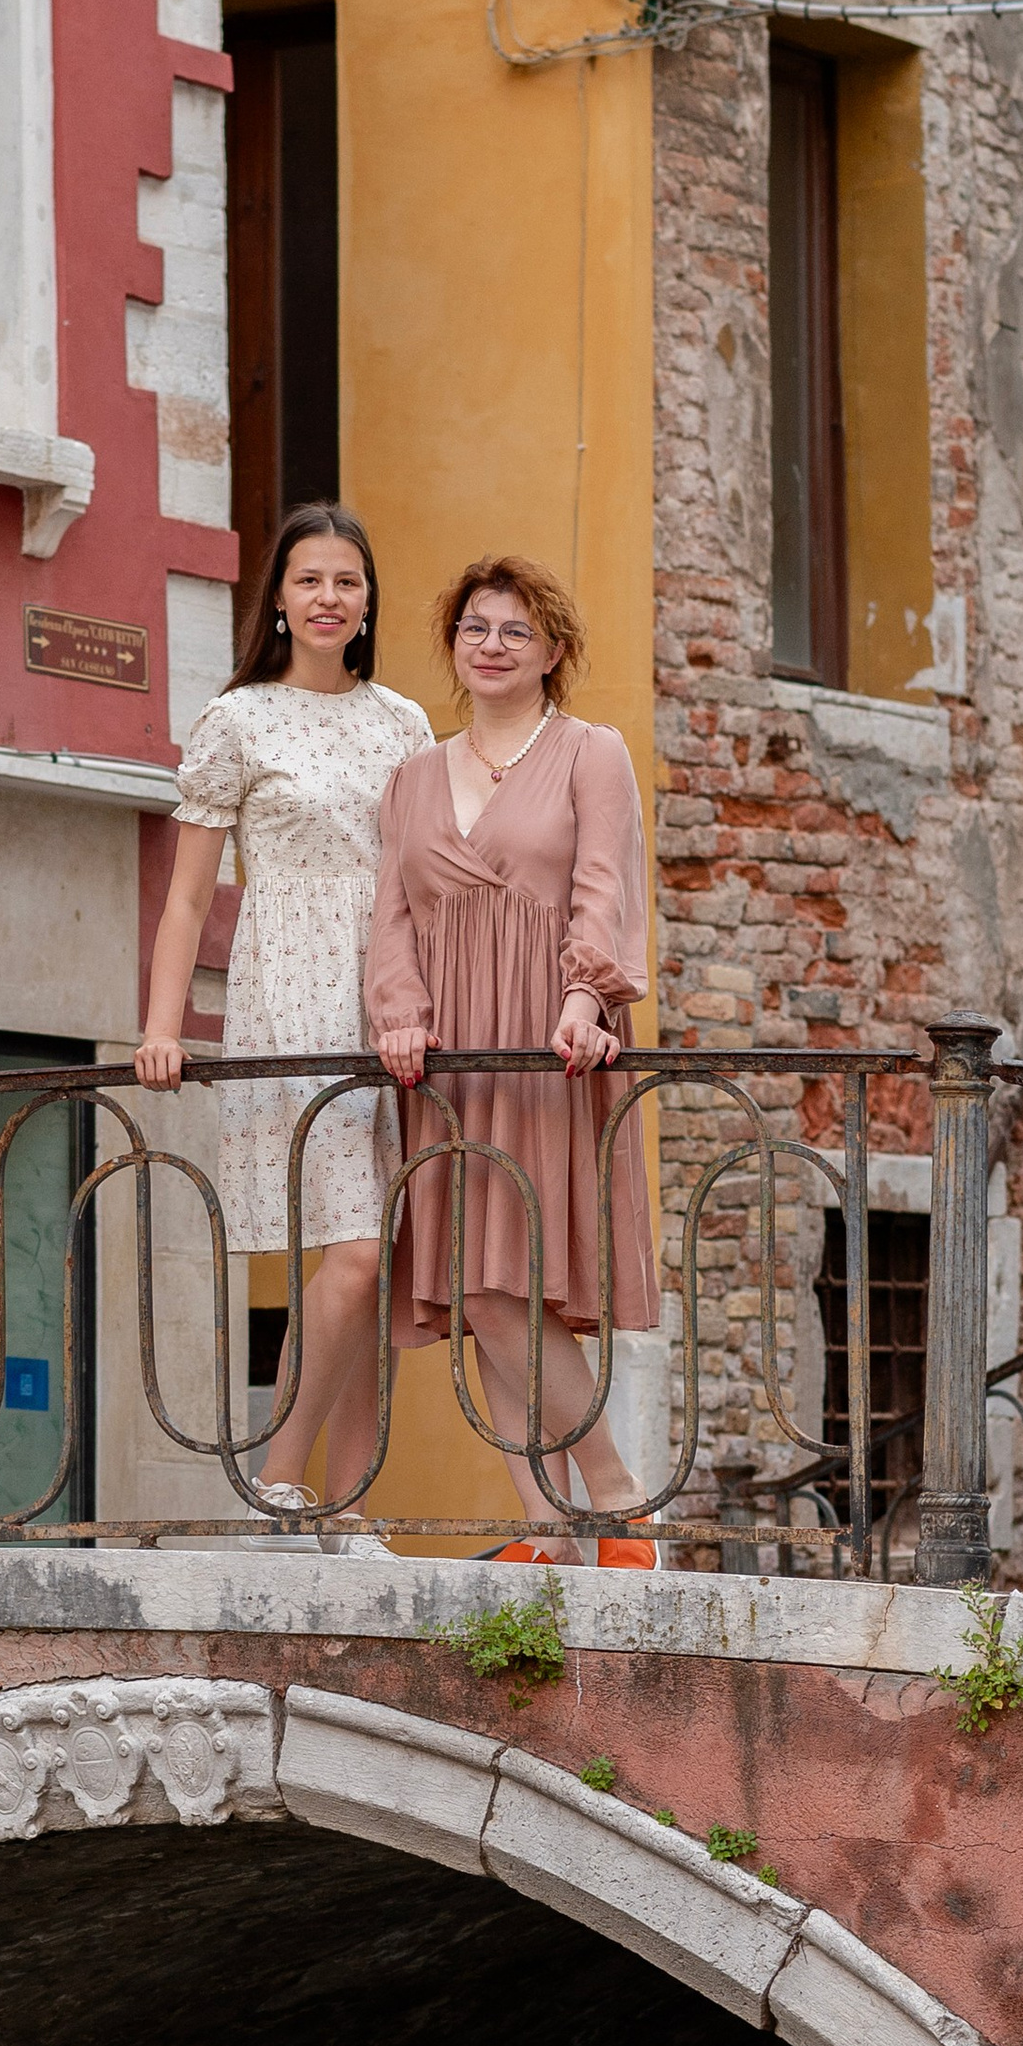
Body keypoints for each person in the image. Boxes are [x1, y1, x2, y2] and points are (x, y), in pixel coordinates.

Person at [136, 505, 433, 1550]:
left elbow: (431, 874)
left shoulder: (402, 720)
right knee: (351, 1253)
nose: (327, 597)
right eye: (308, 578)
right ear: (278, 598)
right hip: (292, 991)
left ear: (365, 604)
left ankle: (352, 1510)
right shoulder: (238, 720)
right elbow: (183, 899)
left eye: (346, 581)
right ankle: (279, 1475)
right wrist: (166, 1026)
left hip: (395, 995)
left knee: (382, 1265)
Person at [365, 551, 661, 1566]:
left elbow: (604, 889)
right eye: (473, 628)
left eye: (513, 631)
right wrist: (397, 1015)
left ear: (553, 652)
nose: (490, 646)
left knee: (510, 1283)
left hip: (546, 1045)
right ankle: (546, 1531)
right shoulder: (407, 778)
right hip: (447, 1061)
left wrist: (584, 998)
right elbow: (391, 921)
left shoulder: (590, 752)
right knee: (470, 1285)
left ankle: (618, 1508)